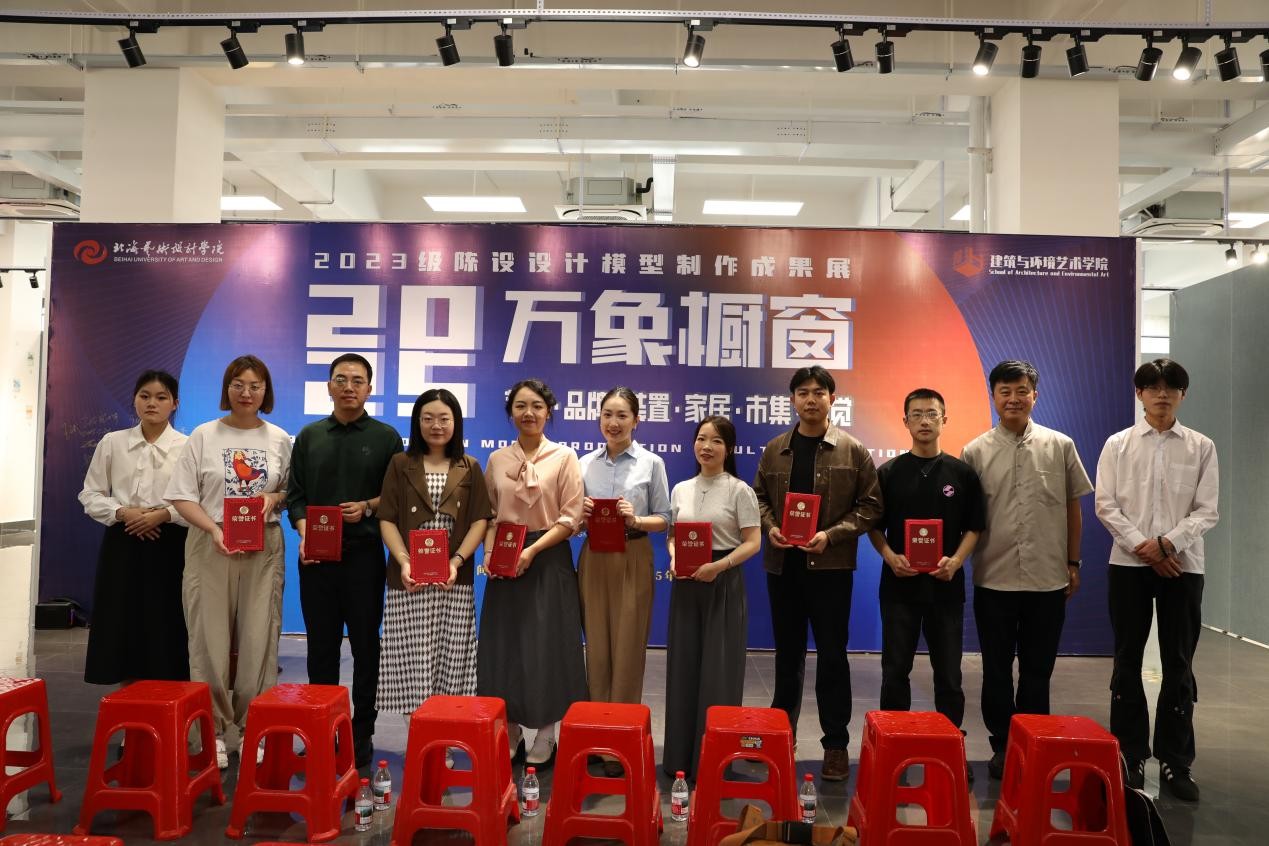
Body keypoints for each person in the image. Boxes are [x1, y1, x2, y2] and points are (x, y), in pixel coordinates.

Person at [961, 359, 1092, 779]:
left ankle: (1032, 741)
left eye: (1022, 390)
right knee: (996, 669)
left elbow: (1073, 509)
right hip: (994, 577)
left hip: (1047, 578)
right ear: (993, 396)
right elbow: (968, 517)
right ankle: (1003, 744)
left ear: (1035, 395)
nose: (1013, 398)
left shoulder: (1061, 446)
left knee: (1038, 669)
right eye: (1005, 391)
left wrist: (1073, 562)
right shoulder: (974, 451)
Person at [1094, 359, 1217, 802]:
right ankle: (1128, 753)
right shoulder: (1118, 445)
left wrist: (1167, 545)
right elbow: (1106, 504)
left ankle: (1175, 760)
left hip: (1184, 567)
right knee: (1127, 660)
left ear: (1184, 394)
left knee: (1179, 663)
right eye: (1153, 387)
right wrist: (1145, 547)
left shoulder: (1201, 446)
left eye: (1171, 387)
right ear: (1139, 394)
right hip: (1128, 566)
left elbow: (1207, 510)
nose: (1162, 394)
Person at [752, 365, 882, 782]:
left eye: (818, 392)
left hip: (831, 568)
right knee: (787, 656)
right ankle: (781, 737)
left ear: (832, 399)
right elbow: (757, 497)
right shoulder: (775, 449)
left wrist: (832, 534)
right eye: (803, 392)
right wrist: (771, 526)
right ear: (792, 399)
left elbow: (871, 506)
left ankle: (836, 745)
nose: (811, 399)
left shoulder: (852, 450)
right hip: (784, 567)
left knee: (832, 657)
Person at [165, 354, 292, 770]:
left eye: (255, 386)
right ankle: (215, 732)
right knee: (208, 639)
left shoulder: (280, 439)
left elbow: (290, 492)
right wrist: (213, 529)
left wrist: (274, 497)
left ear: (266, 391)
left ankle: (255, 727)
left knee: (260, 638)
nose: (246, 393)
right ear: (227, 389)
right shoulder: (203, 436)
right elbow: (181, 496)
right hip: (211, 540)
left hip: (263, 545)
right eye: (238, 385)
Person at [286, 353, 402, 771]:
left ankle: (362, 730)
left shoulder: (386, 437)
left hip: (363, 557)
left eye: (357, 380)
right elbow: (295, 497)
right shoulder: (310, 435)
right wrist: (305, 533)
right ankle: (323, 727)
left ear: (369, 388)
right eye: (340, 379)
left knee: (367, 646)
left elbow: (397, 497)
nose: (348, 387)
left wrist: (367, 506)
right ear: (328, 387)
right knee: (321, 647)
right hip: (316, 558)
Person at [867, 388, 985, 781]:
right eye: (916, 414)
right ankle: (892, 746)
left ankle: (950, 747)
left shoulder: (962, 474)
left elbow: (975, 527)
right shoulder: (888, 473)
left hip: (945, 587)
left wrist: (957, 560)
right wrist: (890, 556)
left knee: (949, 674)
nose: (924, 421)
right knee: (894, 671)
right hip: (898, 588)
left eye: (932, 414)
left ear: (944, 420)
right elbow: (874, 526)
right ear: (905, 421)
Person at [478, 378, 587, 768]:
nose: (529, 413)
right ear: (511, 412)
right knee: (504, 646)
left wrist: (533, 550)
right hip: (505, 558)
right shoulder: (497, 460)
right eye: (521, 406)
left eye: (537, 406)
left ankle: (545, 733)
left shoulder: (564, 457)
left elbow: (571, 518)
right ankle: (508, 729)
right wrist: (490, 555)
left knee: (547, 646)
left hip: (548, 556)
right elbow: (490, 514)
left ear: (548, 411)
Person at [376, 388, 492, 726]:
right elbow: (387, 518)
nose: (436, 425)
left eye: (444, 418)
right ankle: (417, 732)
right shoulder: (400, 464)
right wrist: (404, 561)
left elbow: (480, 521)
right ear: (417, 423)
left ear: (456, 422)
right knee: (410, 655)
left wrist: (456, 561)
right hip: (409, 578)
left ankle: (445, 731)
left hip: (453, 579)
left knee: (451, 656)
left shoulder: (470, 466)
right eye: (428, 418)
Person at [663, 416, 761, 780]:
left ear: (729, 449)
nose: (707, 447)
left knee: (719, 672)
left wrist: (718, 566)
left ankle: (712, 761)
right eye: (701, 439)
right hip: (687, 585)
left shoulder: (739, 490)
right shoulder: (681, 489)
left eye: (716, 441)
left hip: (722, 583)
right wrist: (674, 557)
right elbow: (672, 535)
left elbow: (753, 542)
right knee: (683, 669)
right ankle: (678, 759)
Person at [577, 387, 671, 768]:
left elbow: (665, 518)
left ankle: (619, 741)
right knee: (597, 649)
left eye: (622, 415)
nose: (613, 423)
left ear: (636, 420)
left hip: (633, 554)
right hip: (594, 557)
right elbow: (571, 522)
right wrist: (581, 515)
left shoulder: (651, 463)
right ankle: (595, 737)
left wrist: (637, 519)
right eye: (607, 415)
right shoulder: (584, 463)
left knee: (629, 650)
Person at [79, 370, 190, 686]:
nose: (152, 403)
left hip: (170, 542)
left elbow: (200, 499)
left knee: (166, 621)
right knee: (122, 621)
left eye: (161, 397)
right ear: (134, 400)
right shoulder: (112, 442)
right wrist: (123, 512)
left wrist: (164, 515)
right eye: (145, 396)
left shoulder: (188, 446)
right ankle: (128, 701)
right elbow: (90, 494)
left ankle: (168, 701)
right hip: (123, 540)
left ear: (175, 403)